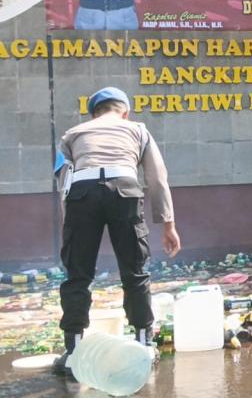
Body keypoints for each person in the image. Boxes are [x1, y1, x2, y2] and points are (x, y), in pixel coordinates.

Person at [54, 87, 180, 375]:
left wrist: (69, 227)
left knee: (77, 274)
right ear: (125, 111)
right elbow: (157, 178)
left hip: (81, 193)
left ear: (93, 113)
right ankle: (144, 343)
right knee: (134, 271)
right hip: (124, 188)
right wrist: (168, 224)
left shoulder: (72, 134)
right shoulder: (137, 130)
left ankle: (73, 352)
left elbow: (64, 182)